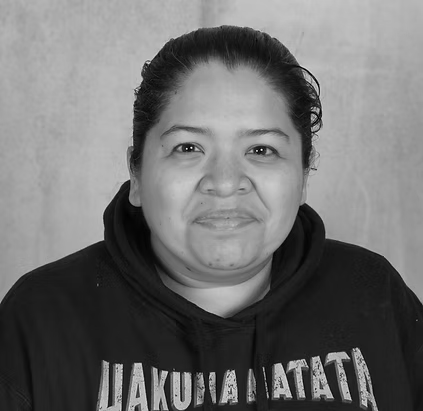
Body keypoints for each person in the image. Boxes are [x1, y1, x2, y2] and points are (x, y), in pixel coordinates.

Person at [0, 25, 422, 411]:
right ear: (137, 174)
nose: (224, 182)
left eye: (261, 150)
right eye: (188, 148)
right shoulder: (41, 320)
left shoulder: (374, 295)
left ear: (303, 175)